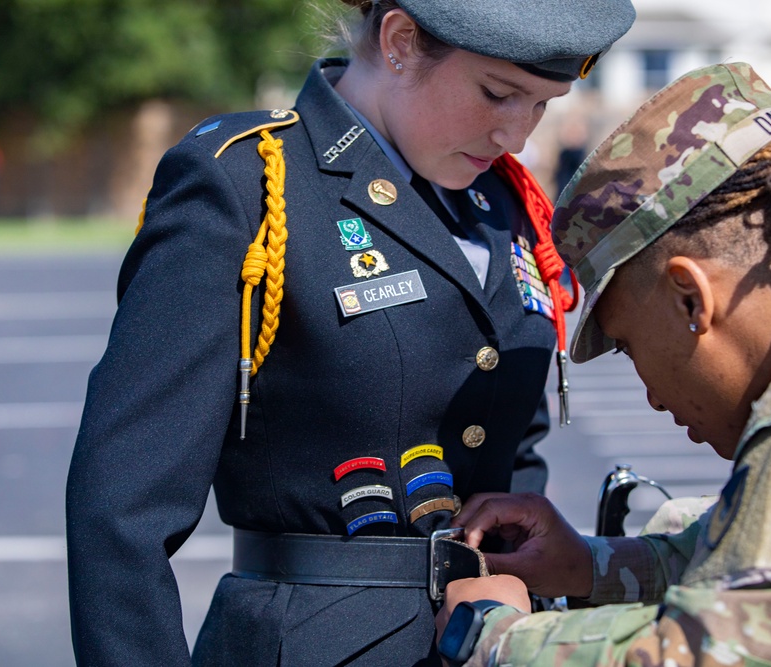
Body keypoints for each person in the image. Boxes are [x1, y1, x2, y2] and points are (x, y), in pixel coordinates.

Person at [65, 0, 636, 664]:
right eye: (498, 94)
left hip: (494, 637)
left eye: (542, 104)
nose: (517, 134)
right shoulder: (250, 183)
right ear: (398, 41)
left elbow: (512, 446)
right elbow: (120, 512)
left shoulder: (500, 202)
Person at [434, 62, 771, 666]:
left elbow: (728, 653)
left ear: (692, 297)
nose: (652, 398)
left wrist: (493, 637)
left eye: (629, 346)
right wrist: (590, 567)